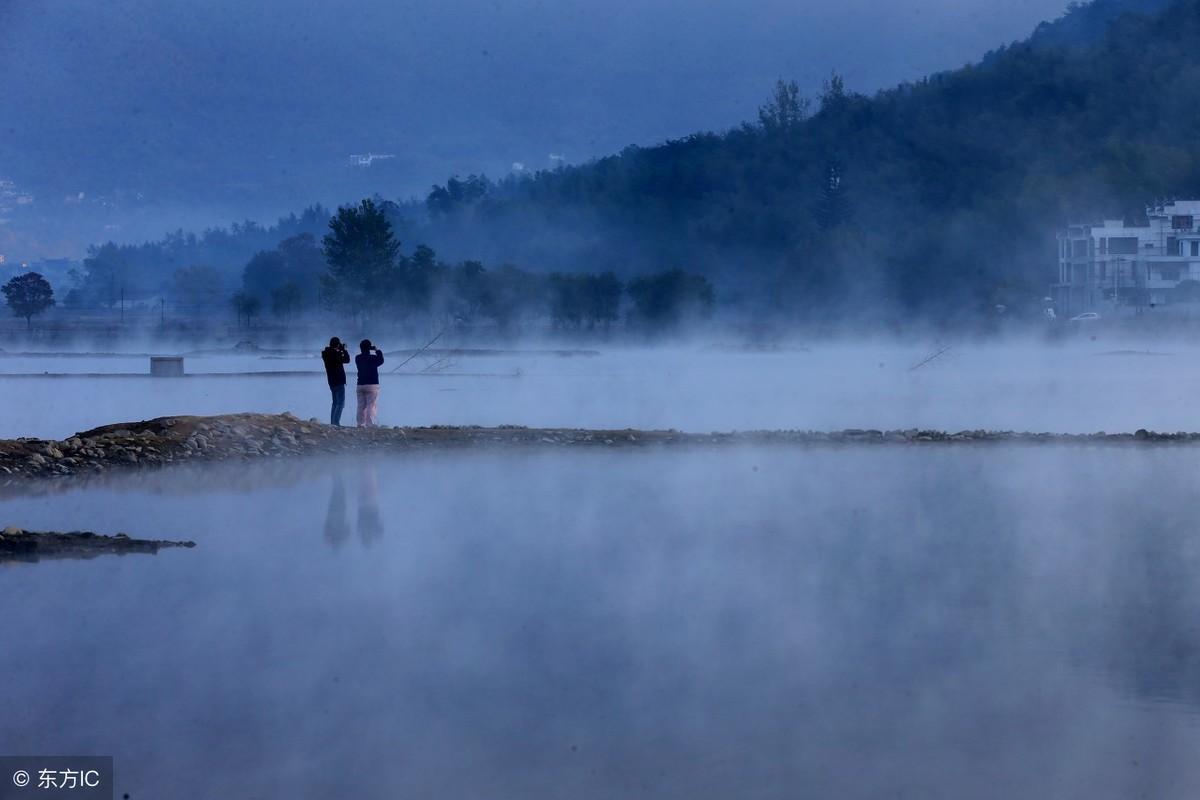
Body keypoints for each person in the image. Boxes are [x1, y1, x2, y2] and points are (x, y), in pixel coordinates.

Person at [354, 339, 385, 427]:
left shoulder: (358, 358)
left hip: (360, 384)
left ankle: (360, 423)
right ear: (369, 348)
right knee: (371, 405)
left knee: (361, 406)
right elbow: (381, 360)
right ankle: (370, 423)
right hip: (372, 384)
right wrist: (376, 350)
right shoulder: (373, 358)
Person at [321, 337, 350, 426]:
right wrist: (343, 350)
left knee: (335, 402)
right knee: (340, 403)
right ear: (337, 344)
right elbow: (347, 360)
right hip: (339, 380)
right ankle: (335, 422)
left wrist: (339, 350)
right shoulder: (335, 354)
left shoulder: (326, 353)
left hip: (331, 380)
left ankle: (333, 422)